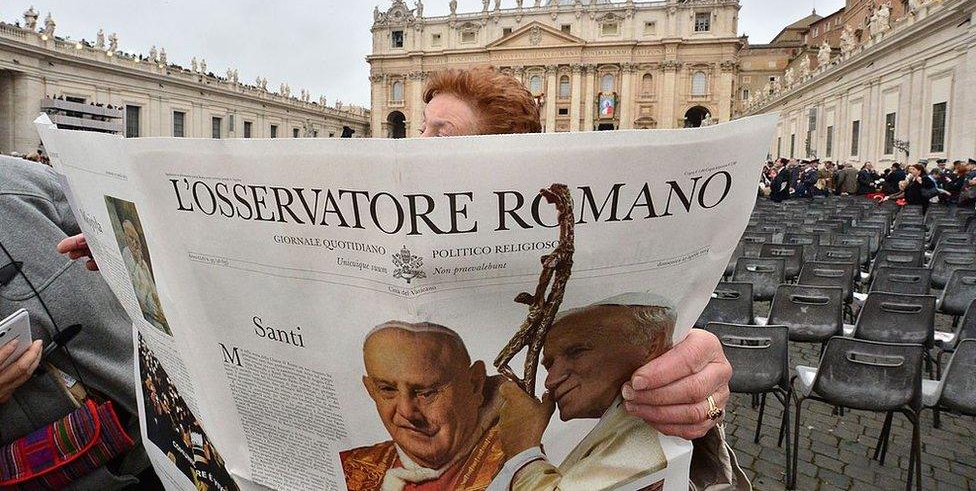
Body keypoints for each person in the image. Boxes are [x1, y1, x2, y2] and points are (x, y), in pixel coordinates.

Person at [61, 67, 742, 488]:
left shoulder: (584, 301)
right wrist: (147, 258)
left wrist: (697, 397)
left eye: (442, 137)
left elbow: (666, 438)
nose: (416, 146)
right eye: (417, 128)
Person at [0, 155, 151, 488]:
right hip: (49, 475)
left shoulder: (21, 182)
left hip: (154, 439)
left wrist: (118, 255)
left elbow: (140, 237)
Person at [490, 295, 679, 490]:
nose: (551, 380)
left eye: (576, 352)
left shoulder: (651, 427)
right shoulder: (623, 424)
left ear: (653, 344)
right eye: (549, 365)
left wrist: (523, 448)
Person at [340, 321, 504, 490]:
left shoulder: (522, 464)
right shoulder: (347, 467)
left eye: (426, 393)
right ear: (371, 390)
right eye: (388, 389)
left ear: (474, 384)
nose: (406, 412)